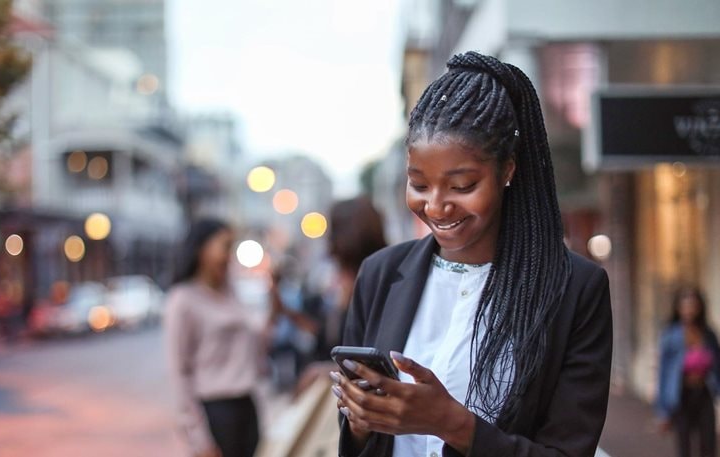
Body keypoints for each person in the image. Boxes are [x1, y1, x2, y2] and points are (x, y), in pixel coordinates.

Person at [329, 51, 612, 457]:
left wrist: (450, 422)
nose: (436, 207)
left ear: (507, 170)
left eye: (462, 186)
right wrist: (360, 421)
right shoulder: (380, 274)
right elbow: (358, 446)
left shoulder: (574, 290)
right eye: (419, 185)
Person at [164, 218, 264, 457]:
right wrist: (198, 438)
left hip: (247, 405)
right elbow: (179, 372)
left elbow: (255, 341)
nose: (230, 256)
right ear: (202, 248)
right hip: (216, 413)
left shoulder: (231, 291)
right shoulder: (182, 300)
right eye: (225, 246)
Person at [270, 196, 387, 394]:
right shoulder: (343, 280)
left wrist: (326, 371)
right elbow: (327, 334)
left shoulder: (375, 281)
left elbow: (378, 356)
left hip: (354, 400)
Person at [657, 286, 720, 457]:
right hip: (681, 396)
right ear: (678, 308)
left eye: (693, 304)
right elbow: (663, 374)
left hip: (704, 393)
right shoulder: (670, 335)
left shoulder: (708, 334)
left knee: (709, 445)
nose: (689, 309)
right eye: (685, 304)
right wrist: (663, 412)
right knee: (684, 448)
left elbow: (718, 368)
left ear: (700, 307)